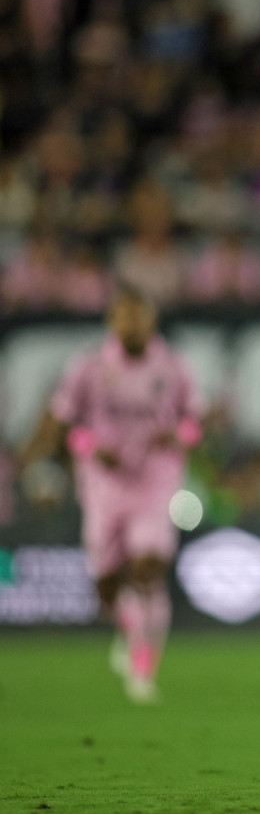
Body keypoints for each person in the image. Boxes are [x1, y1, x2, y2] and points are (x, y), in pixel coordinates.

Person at [22, 285, 203, 703]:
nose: (132, 324)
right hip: (104, 484)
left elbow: (196, 423)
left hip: (155, 480)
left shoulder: (173, 366)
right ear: (112, 322)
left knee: (148, 564)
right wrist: (90, 447)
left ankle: (143, 667)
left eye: (139, 316)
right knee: (105, 582)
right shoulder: (87, 366)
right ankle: (128, 627)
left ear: (151, 320)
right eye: (125, 316)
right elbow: (67, 423)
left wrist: (174, 437)